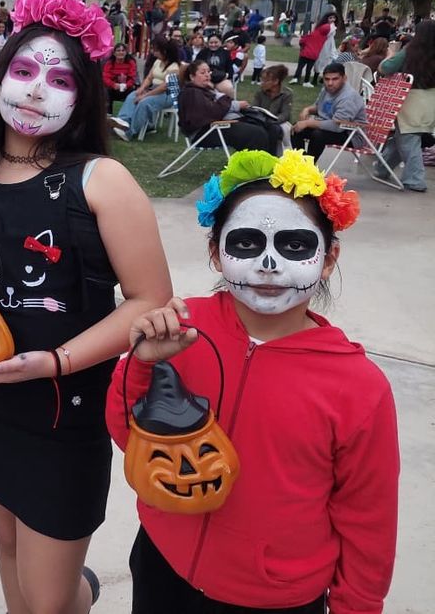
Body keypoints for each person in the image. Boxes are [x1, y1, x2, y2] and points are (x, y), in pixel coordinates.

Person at [0, 0, 172, 614]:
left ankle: (75, 593)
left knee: (46, 603)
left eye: (60, 78)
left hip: (62, 420)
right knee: (8, 551)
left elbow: (149, 299)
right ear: (0, 74)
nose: (38, 90)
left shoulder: (101, 181)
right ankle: (74, 594)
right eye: (25, 71)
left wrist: (56, 361)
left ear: (81, 96)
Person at [107, 149, 398, 614]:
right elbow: (128, 436)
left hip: (273, 597)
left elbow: (369, 520)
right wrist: (142, 364)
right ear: (215, 253)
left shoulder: (357, 386)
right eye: (245, 243)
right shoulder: (181, 329)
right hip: (163, 563)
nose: (267, 264)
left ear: (328, 258)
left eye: (294, 245)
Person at [376, 19, 435, 192]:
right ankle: (382, 169)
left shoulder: (410, 51)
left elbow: (385, 68)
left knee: (409, 141)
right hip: (430, 103)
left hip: (410, 102)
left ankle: (415, 180)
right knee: (403, 138)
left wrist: (391, 53)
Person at [177, 60, 276, 153]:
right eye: (202, 73)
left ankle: (270, 164)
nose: (207, 75)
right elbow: (210, 112)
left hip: (216, 126)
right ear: (192, 77)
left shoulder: (204, 90)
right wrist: (233, 105)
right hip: (203, 133)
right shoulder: (191, 93)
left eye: (208, 72)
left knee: (266, 128)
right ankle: (257, 165)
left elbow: (215, 108)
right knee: (256, 133)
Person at [292, 62, 367, 161]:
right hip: (330, 127)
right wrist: (307, 110)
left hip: (351, 134)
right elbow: (319, 107)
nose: (330, 83)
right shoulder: (327, 89)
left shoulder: (349, 97)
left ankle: (308, 166)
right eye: (327, 79)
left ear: (344, 78)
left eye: (335, 79)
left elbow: (337, 127)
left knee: (318, 135)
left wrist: (307, 123)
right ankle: (301, 162)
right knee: (296, 128)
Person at [112, 35, 180, 141]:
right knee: (132, 95)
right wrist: (141, 89)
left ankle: (130, 132)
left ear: (164, 51)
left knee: (145, 102)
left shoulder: (174, 67)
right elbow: (149, 77)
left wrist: (145, 95)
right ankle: (122, 122)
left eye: (156, 50)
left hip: (166, 94)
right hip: (153, 89)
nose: (153, 52)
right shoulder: (157, 62)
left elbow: (164, 87)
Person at [252, 64, 294, 149]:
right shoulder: (260, 93)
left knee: (276, 129)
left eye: (265, 80)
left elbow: (285, 114)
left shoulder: (287, 94)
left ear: (276, 81)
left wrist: (272, 121)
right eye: (261, 80)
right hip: (261, 120)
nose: (261, 83)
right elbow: (254, 109)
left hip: (277, 122)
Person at [292, 12, 337, 88]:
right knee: (318, 62)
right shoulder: (326, 27)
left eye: (334, 18)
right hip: (322, 46)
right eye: (330, 18)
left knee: (326, 62)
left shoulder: (329, 27)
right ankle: (309, 79)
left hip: (328, 46)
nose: (332, 20)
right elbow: (328, 32)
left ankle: (305, 79)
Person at [103, 42, 138, 115]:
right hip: (113, 89)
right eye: (118, 50)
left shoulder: (131, 62)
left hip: (126, 88)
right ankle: (108, 115)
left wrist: (126, 85)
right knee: (105, 90)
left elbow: (133, 78)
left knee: (133, 91)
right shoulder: (109, 63)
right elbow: (105, 78)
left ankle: (127, 115)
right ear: (114, 53)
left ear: (126, 52)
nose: (121, 52)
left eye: (123, 50)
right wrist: (114, 85)